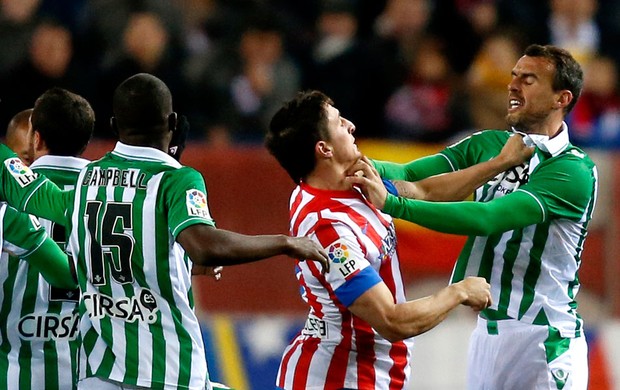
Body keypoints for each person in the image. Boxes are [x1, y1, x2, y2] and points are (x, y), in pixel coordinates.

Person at [0, 72, 328, 390]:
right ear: (171, 123)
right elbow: (202, 244)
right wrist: (285, 242)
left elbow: (76, 231)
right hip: (169, 369)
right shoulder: (176, 179)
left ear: (114, 127)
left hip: (101, 369)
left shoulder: (87, 184)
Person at [348, 44, 596, 390]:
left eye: (529, 79)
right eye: (514, 77)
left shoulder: (572, 170)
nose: (513, 86)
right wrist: (348, 161)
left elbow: (488, 218)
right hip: (488, 333)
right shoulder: (487, 145)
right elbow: (411, 174)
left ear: (561, 98)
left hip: (544, 336)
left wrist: (394, 206)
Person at [265, 90, 533, 389]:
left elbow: (424, 191)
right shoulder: (330, 231)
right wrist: (458, 293)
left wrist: (499, 163)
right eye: (340, 123)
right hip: (340, 377)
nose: (351, 125)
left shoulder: (349, 181)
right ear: (324, 149)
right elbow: (391, 321)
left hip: (374, 371)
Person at [0, 87, 94, 390]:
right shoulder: (115, 200)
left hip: (14, 375)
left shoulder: (9, 210)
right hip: (92, 377)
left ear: (36, 139)